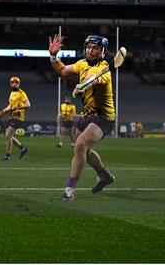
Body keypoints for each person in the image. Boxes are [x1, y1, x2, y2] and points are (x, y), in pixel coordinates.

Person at [49, 34, 116, 200]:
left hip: (103, 118)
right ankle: (105, 176)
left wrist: (83, 85)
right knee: (83, 151)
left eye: (95, 48)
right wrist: (53, 56)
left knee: (79, 145)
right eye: (89, 47)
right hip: (87, 115)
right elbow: (63, 70)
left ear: (103, 51)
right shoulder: (82, 63)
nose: (90, 51)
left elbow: (93, 79)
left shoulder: (104, 70)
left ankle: (70, 188)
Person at [0, 76, 30, 161]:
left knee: (8, 136)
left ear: (19, 84)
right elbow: (11, 105)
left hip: (18, 117)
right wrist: (4, 110)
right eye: (13, 83)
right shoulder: (12, 93)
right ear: (10, 84)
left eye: (16, 83)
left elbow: (28, 104)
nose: (14, 84)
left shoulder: (22, 93)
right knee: (8, 137)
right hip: (11, 116)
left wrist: (17, 108)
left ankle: (7, 156)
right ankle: (23, 148)